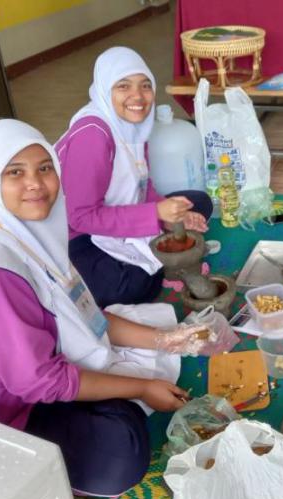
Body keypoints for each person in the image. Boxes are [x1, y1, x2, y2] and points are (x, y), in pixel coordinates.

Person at [0, 119, 204, 497]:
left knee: (139, 380)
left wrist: (166, 339)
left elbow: (85, 314)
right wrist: (142, 387)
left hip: (44, 377)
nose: (35, 184)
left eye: (44, 168)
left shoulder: (31, 231)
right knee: (120, 452)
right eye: (15, 172)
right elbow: (37, 382)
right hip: (5, 414)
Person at [56, 47, 212, 308]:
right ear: (105, 89)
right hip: (79, 235)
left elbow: (142, 186)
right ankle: (160, 262)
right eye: (123, 86)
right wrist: (156, 214)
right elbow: (80, 217)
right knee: (126, 288)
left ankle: (157, 256)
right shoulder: (92, 135)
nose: (137, 96)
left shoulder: (135, 125)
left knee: (198, 201)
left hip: (123, 212)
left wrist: (170, 213)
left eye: (145, 86)